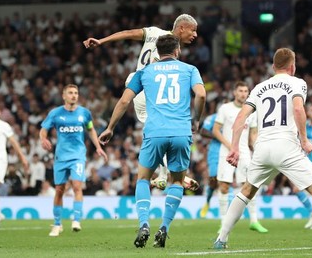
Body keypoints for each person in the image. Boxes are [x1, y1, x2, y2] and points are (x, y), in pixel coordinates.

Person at [213, 48, 312, 250]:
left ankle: (221, 239)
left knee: (246, 191)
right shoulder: (297, 83)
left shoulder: (260, 87)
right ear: (292, 66)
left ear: (273, 66)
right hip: (286, 146)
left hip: (262, 147)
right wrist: (304, 140)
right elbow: (298, 108)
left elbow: (240, 118)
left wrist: (234, 147)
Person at [98, 34, 206, 248]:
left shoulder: (145, 72)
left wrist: (110, 127)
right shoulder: (190, 69)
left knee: (143, 180)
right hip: (181, 132)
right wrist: (197, 120)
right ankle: (164, 227)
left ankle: (144, 224)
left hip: (154, 132)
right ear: (177, 51)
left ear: (157, 52)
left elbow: (124, 101)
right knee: (176, 181)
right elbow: (201, 95)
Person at [83, 13, 199, 191]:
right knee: (163, 130)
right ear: (181, 28)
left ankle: (162, 175)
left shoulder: (154, 33)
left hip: (141, 88)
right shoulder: (170, 50)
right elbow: (129, 33)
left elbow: (128, 33)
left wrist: (102, 40)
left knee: (159, 132)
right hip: (147, 90)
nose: (195, 35)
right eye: (193, 30)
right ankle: (174, 175)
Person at [40, 84, 108, 237]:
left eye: (76, 93)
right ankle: (57, 224)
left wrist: (97, 147)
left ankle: (76, 220)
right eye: (70, 93)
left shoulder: (84, 113)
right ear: (64, 95)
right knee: (59, 190)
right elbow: (44, 128)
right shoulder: (55, 113)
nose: (74, 95)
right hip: (60, 157)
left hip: (77, 156)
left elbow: (90, 129)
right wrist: (43, 139)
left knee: (77, 186)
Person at [212, 81, 268, 233]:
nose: (243, 94)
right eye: (240, 91)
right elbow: (216, 130)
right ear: (234, 92)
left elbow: (253, 134)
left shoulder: (252, 112)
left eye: (246, 91)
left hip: (244, 152)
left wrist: (257, 149)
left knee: (250, 184)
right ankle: (224, 222)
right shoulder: (225, 108)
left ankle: (254, 220)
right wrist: (230, 145)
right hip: (227, 151)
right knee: (223, 186)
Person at [199, 113, 220, 218]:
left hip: (231, 150)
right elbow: (202, 130)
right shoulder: (213, 117)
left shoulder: (238, 115)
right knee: (214, 178)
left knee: (226, 181)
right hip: (215, 151)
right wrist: (218, 136)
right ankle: (207, 200)